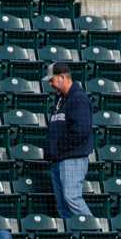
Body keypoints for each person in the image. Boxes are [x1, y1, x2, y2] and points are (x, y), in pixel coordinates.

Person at [43, 62, 94, 219]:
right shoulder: (60, 100)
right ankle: (74, 237)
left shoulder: (78, 98)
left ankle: (95, 233)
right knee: (63, 205)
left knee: (72, 198)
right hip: (58, 159)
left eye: (52, 80)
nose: (50, 84)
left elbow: (81, 131)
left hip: (72, 158)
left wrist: (58, 148)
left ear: (63, 77)